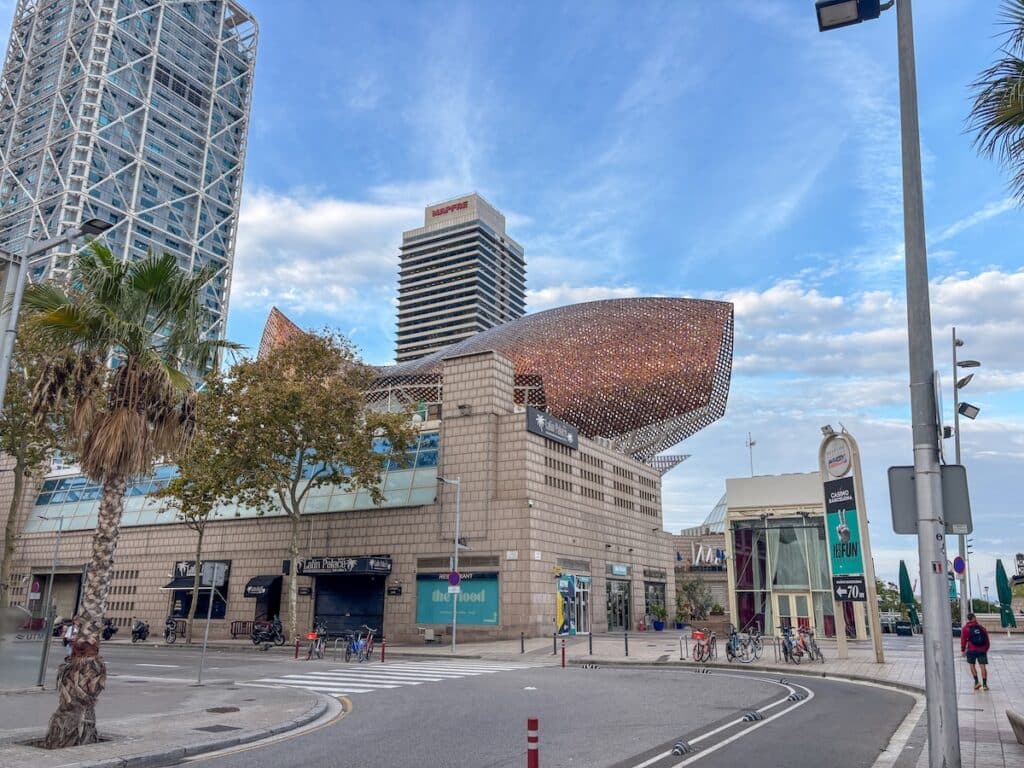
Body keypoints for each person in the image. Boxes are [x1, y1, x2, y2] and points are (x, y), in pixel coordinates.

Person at [960, 612, 991, 691]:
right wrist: (986, 648)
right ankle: (984, 685)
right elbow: (986, 639)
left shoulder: (965, 628)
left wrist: (963, 650)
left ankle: (977, 682)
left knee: (972, 665)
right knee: (982, 666)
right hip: (982, 649)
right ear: (974, 618)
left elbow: (963, 640)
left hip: (971, 649)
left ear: (968, 619)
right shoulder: (981, 627)